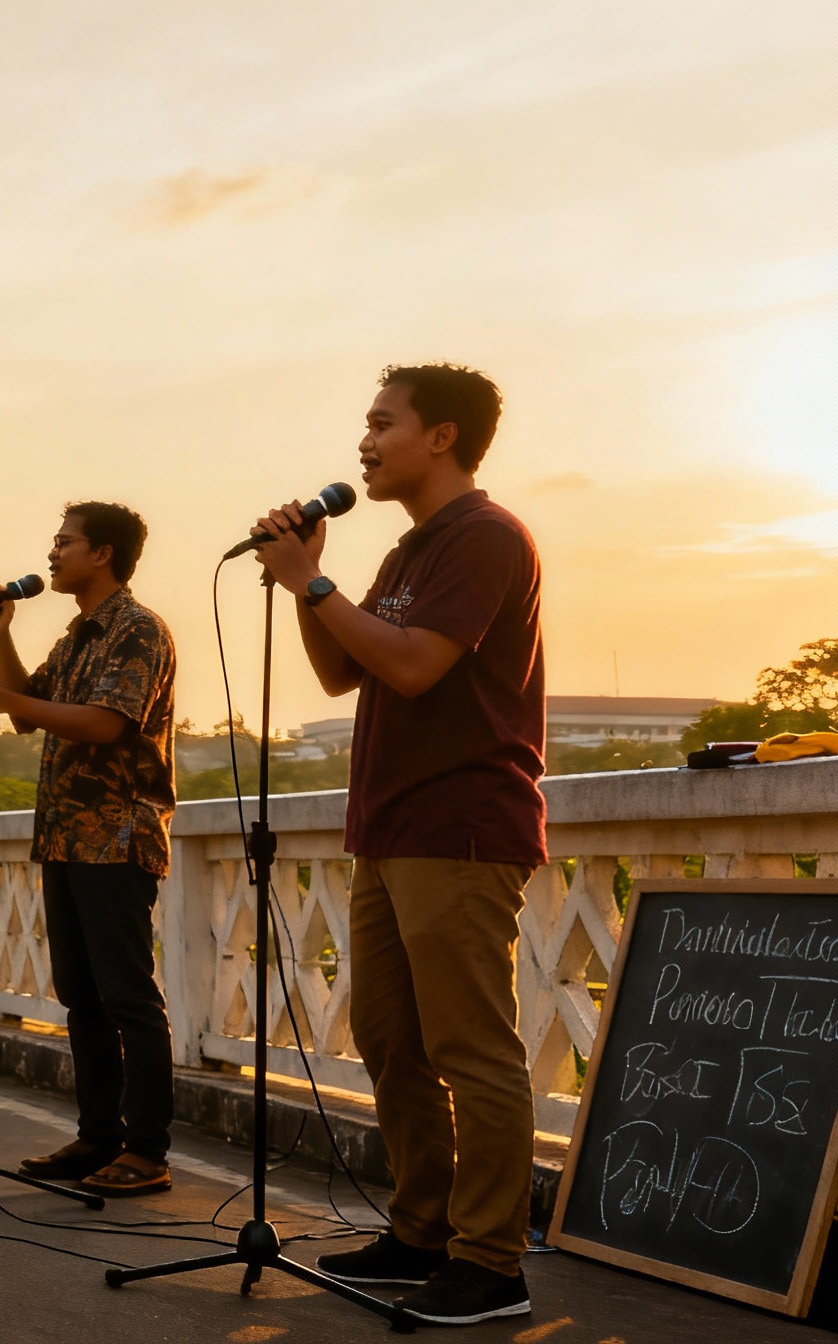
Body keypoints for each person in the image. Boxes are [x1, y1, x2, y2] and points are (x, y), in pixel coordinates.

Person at [261, 365, 540, 1327]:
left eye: (383, 423)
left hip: (457, 825)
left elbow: (417, 668)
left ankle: (492, 1262)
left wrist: (315, 578)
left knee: (471, 1046)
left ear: (443, 437)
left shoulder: (486, 537)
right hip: (387, 826)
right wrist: (310, 583)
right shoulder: (409, 550)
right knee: (388, 1034)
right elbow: (344, 669)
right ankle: (421, 1232)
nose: (365, 442)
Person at [0, 502, 178, 1200]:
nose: (52, 553)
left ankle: (147, 1148)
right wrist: (1, 639)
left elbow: (107, 726)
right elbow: (28, 709)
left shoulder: (137, 631)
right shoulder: (80, 635)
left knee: (127, 997)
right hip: (67, 835)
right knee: (82, 996)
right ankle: (98, 1134)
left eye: (65, 542)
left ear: (102, 553)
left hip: (115, 836)